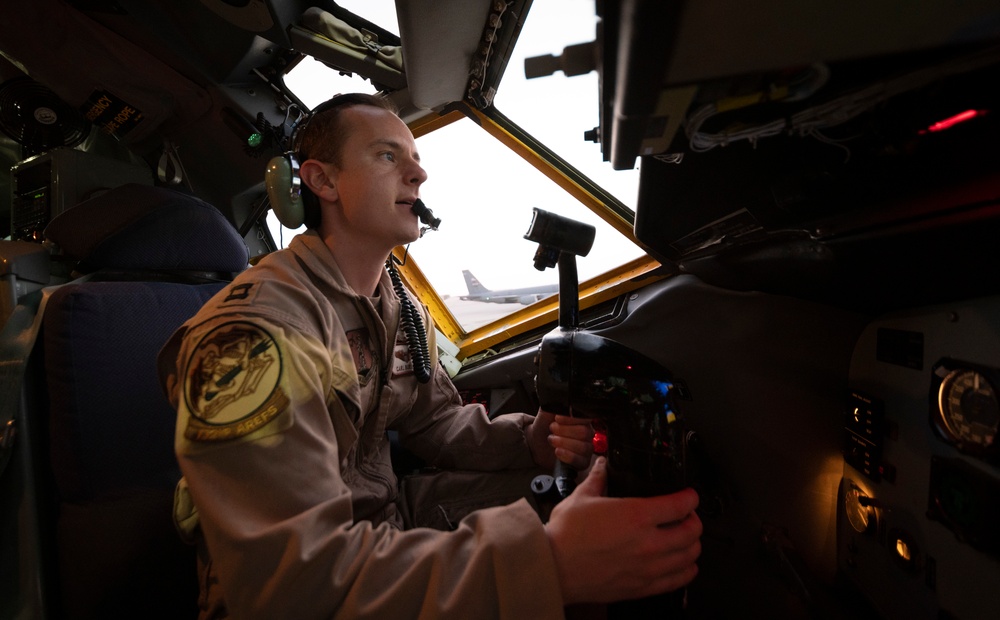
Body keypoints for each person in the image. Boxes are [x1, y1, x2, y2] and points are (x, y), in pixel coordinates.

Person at [158, 93, 702, 619]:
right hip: (305, 584)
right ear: (321, 181)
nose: (418, 176)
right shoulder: (256, 334)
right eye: (388, 156)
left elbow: (435, 419)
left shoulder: (398, 306)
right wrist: (549, 566)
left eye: (417, 161)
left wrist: (528, 443)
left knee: (594, 502)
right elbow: (290, 588)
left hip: (386, 521)